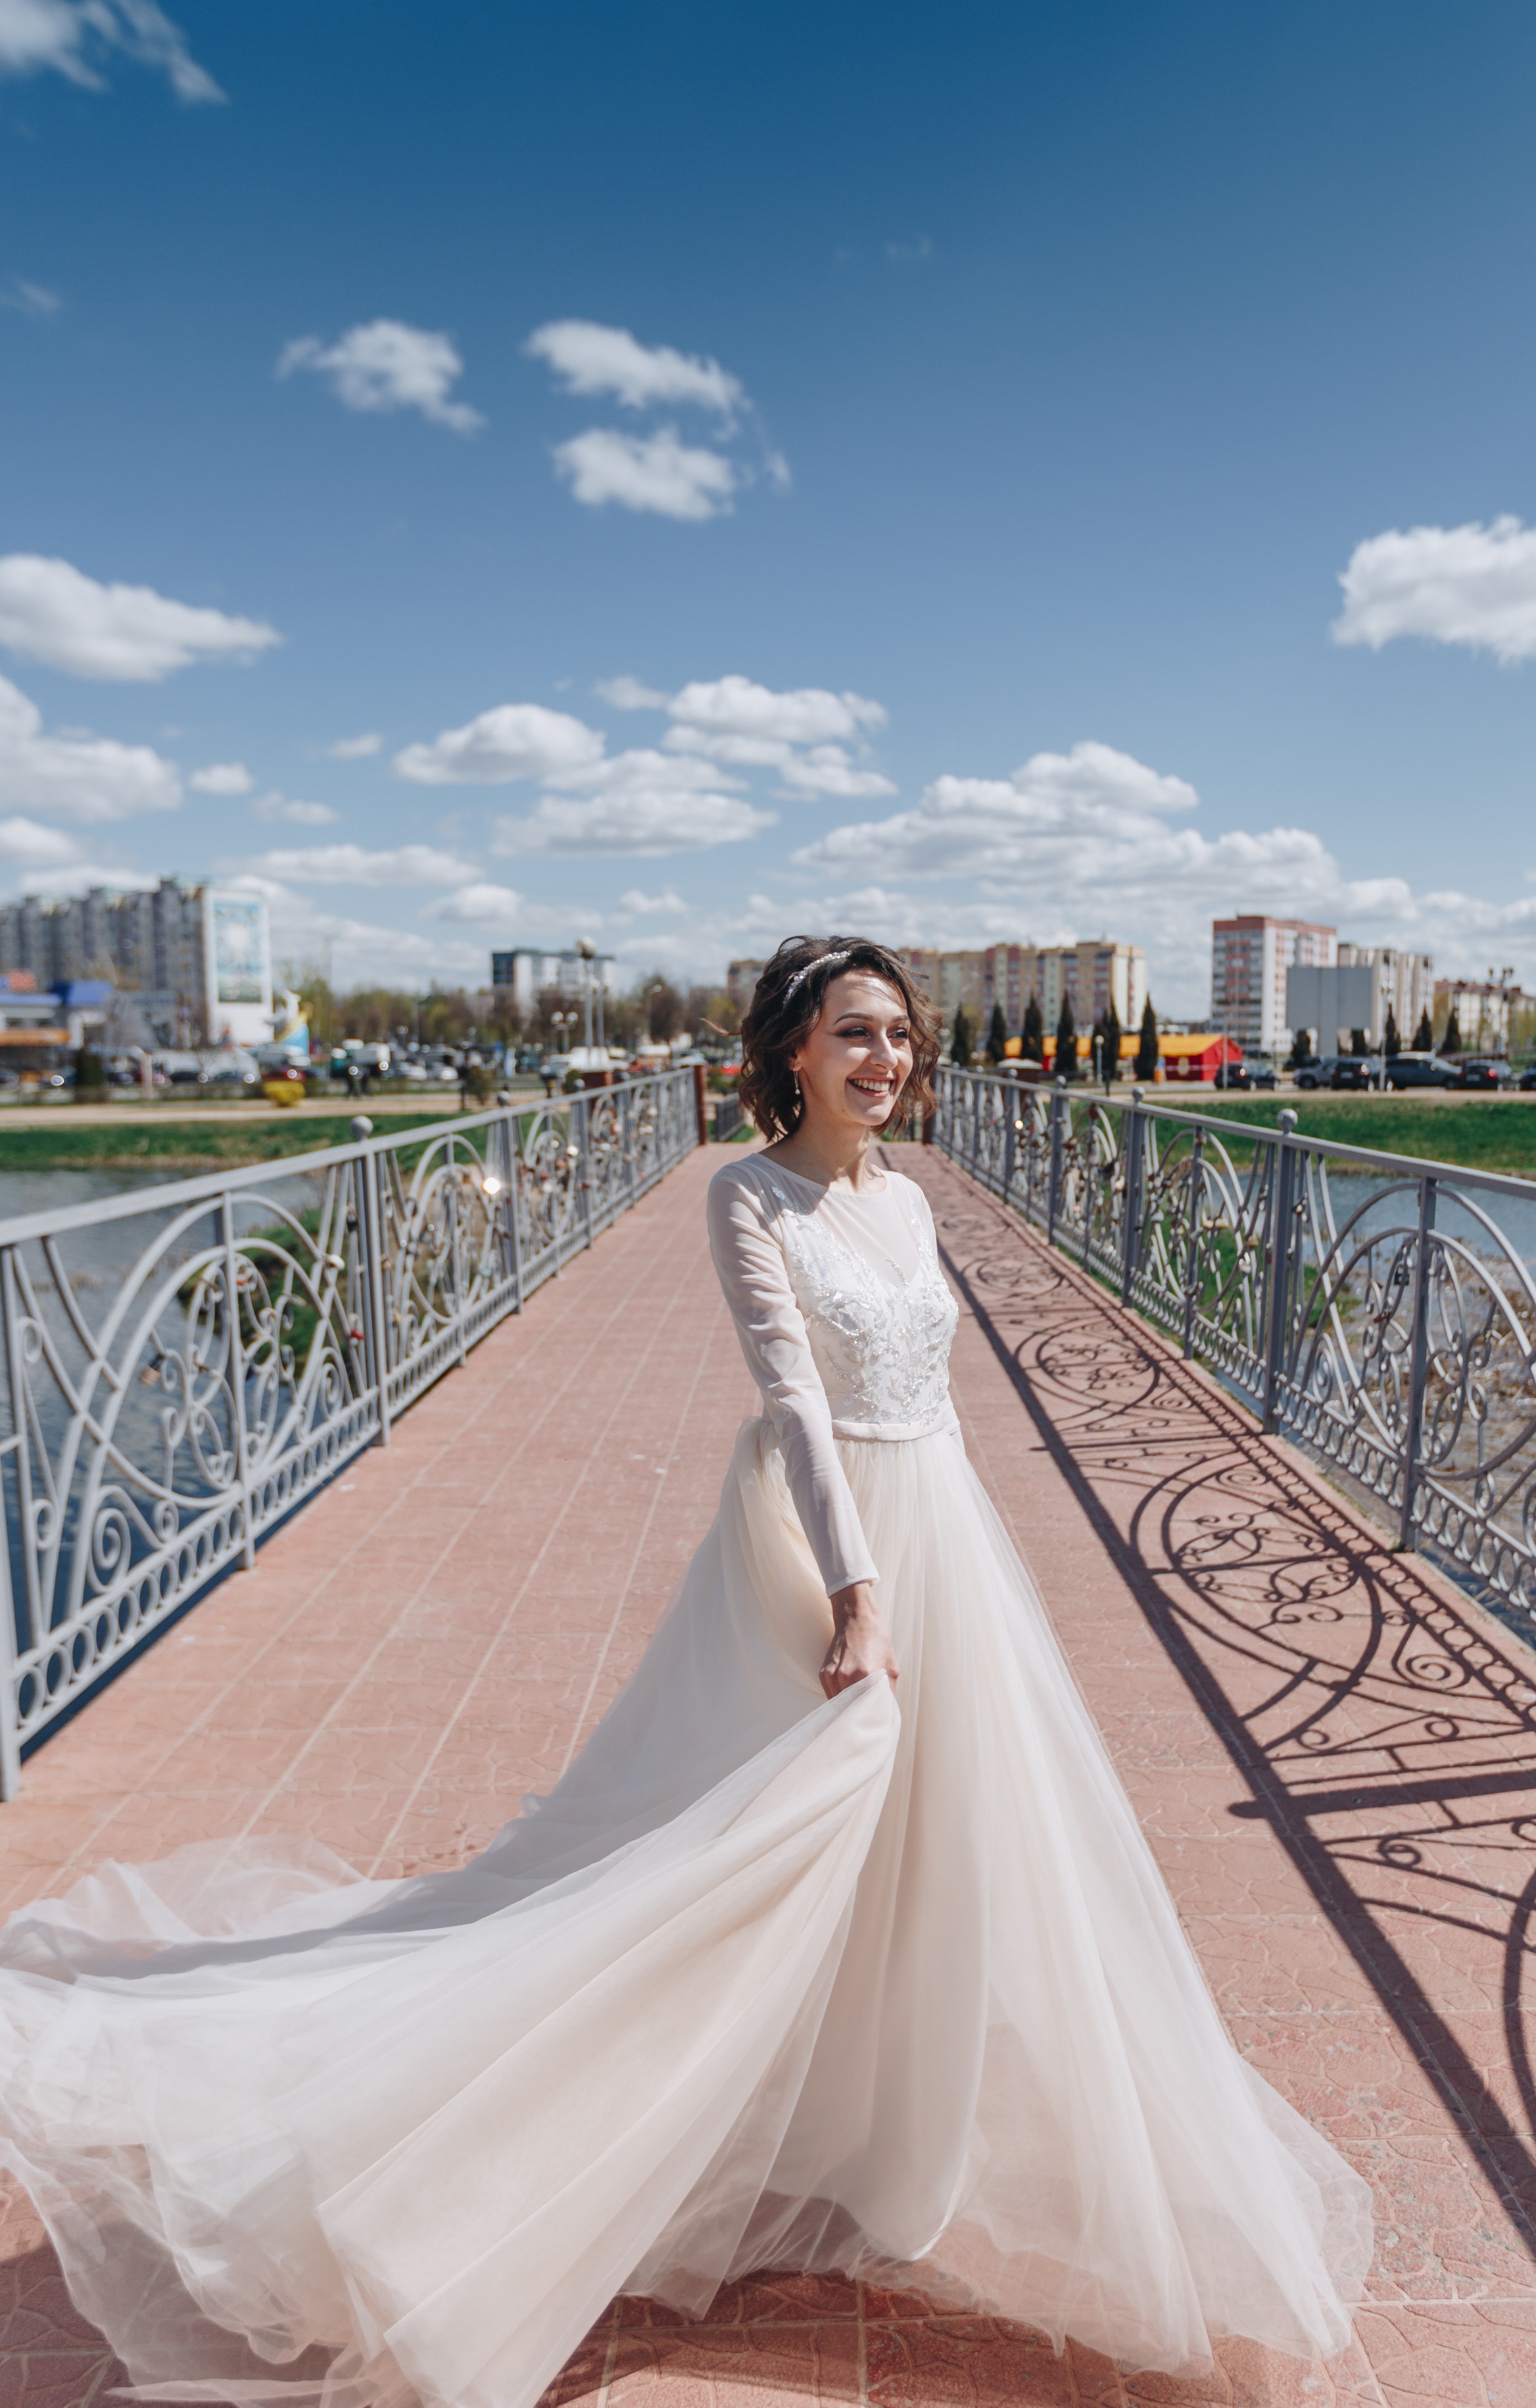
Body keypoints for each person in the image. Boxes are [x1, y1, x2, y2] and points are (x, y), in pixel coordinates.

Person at [0, 936, 1370, 2408]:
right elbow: (793, 1400)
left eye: (899, 1036)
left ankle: (871, 2133)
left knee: (947, 1836)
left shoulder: (908, 1199)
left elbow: (930, 1396)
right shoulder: (748, 1194)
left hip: (944, 1530)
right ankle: (607, 2127)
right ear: (791, 1051)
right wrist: (856, 1595)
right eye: (853, 1035)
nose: (884, 1061)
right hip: (817, 1546)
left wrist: (960, 1570)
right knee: (761, 1840)